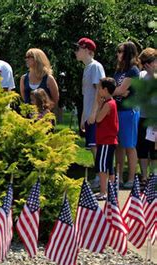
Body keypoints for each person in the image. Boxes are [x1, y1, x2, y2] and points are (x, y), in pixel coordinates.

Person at [74, 37, 106, 188]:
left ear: (88, 50)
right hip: (89, 115)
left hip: (96, 115)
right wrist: (83, 117)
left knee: (96, 147)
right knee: (93, 147)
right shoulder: (87, 68)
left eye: (78, 48)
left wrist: (93, 114)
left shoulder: (95, 67)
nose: (76, 52)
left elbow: (99, 92)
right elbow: (86, 95)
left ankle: (102, 178)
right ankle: (99, 176)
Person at [112, 41, 140, 189]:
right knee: (119, 146)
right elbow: (116, 89)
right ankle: (119, 177)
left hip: (129, 111)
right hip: (117, 110)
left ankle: (131, 178)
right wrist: (117, 90)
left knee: (129, 145)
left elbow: (120, 90)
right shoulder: (119, 71)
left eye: (120, 51)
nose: (118, 54)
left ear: (128, 53)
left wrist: (115, 90)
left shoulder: (133, 70)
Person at [90, 78, 119, 200]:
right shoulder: (111, 103)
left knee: (102, 167)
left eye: (100, 88)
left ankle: (103, 192)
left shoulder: (108, 104)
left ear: (105, 90)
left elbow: (98, 119)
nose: (98, 91)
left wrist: (98, 105)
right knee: (109, 166)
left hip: (106, 141)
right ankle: (111, 191)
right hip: (108, 141)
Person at [136, 47, 157, 185]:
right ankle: (144, 176)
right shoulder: (141, 75)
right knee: (142, 148)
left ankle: (154, 176)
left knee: (154, 149)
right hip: (143, 117)